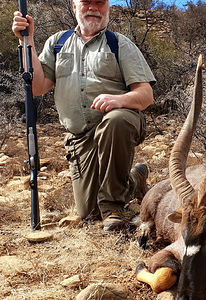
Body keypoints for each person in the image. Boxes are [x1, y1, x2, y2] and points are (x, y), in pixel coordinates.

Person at [12, 0, 156, 231]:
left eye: (100, 3)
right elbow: (38, 87)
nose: (93, 8)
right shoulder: (58, 43)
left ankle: (113, 208)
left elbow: (146, 94)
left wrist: (119, 100)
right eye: (86, 2)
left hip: (117, 126)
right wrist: (26, 39)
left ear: (108, 7)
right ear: (74, 5)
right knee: (88, 213)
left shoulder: (119, 44)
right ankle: (135, 179)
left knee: (115, 120)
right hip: (79, 137)